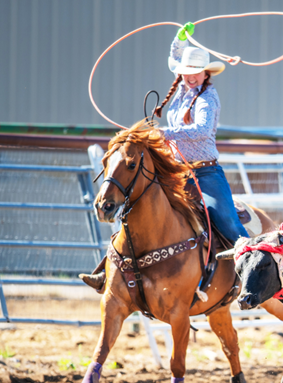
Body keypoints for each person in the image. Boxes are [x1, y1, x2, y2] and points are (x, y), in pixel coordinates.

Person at [81, 22, 248, 292]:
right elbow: (174, 56)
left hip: (204, 174)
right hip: (175, 171)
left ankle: (252, 264)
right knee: (137, 206)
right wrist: (180, 37)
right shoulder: (183, 90)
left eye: (195, 73)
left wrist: (164, 134)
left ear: (206, 73)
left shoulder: (208, 99)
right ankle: (109, 270)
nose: (190, 77)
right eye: (186, 72)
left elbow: (202, 129)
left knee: (226, 219)